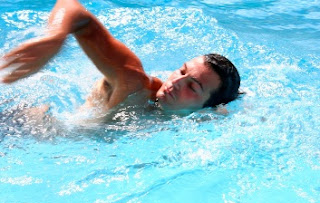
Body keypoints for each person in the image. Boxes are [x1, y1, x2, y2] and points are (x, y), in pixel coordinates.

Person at [0, 0, 240, 116]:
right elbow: (75, 10)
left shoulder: (204, 116)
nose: (176, 82)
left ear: (207, 107)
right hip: (18, 130)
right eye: (182, 71)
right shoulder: (134, 84)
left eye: (192, 86)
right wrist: (55, 37)